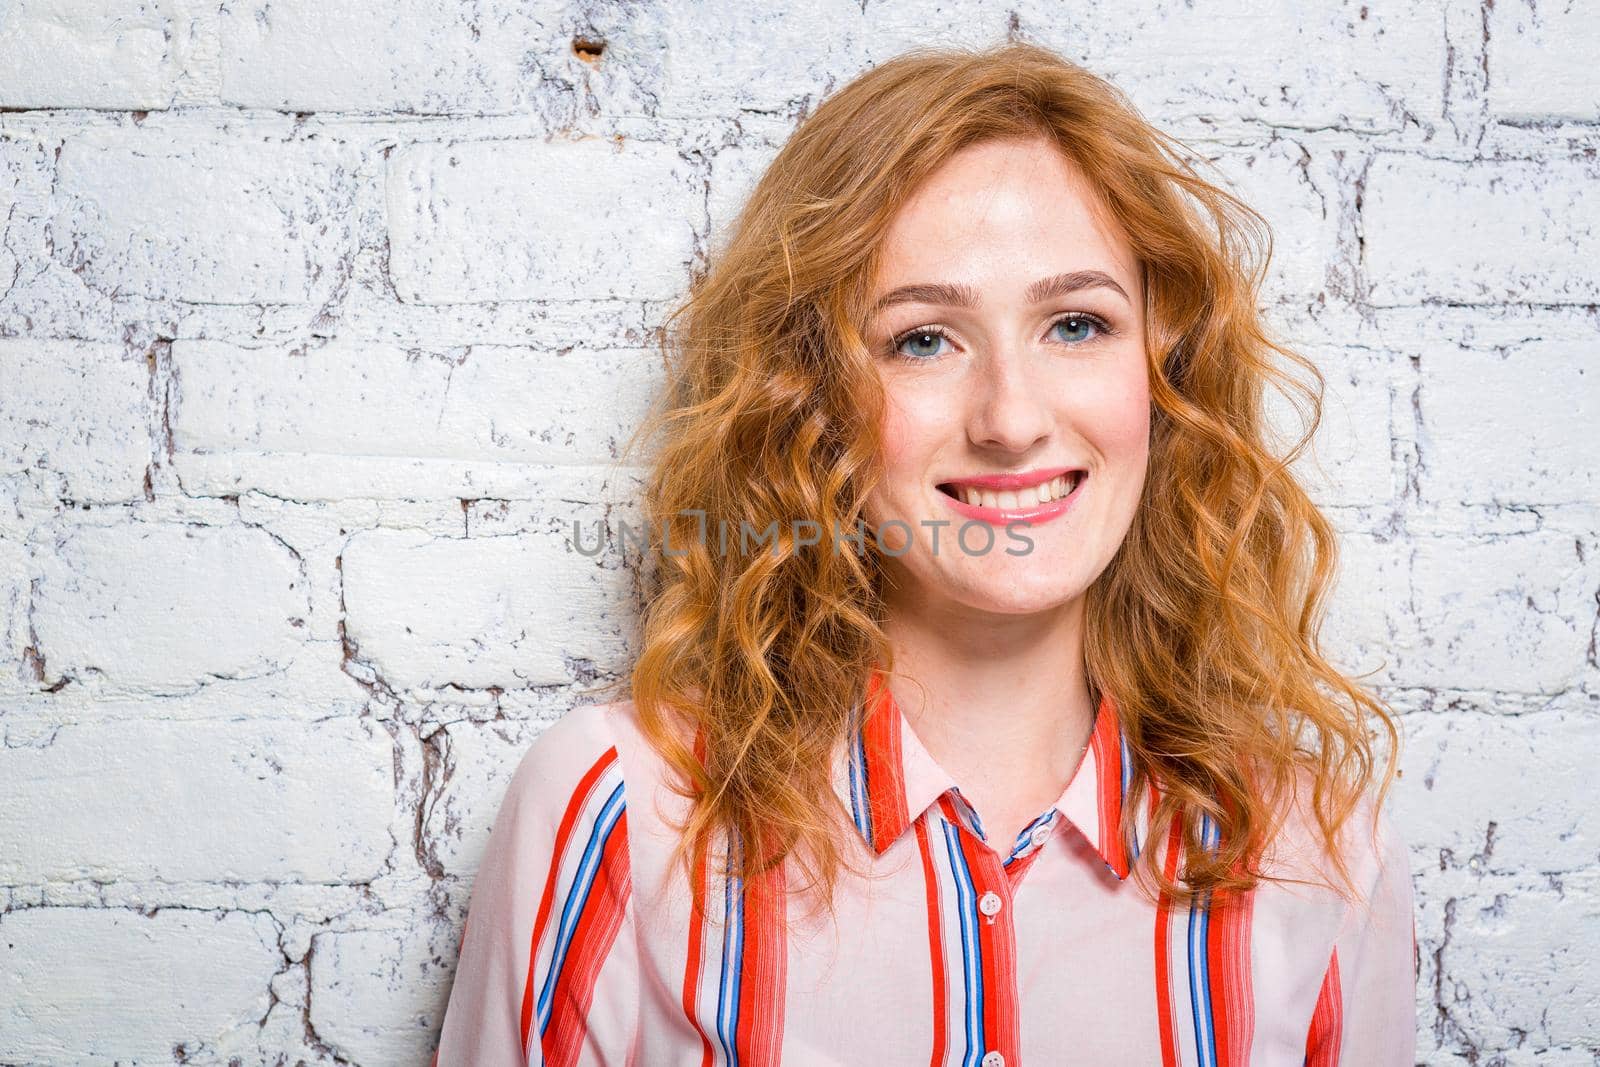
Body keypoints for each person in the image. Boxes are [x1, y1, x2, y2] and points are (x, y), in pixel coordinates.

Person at [432, 41, 1419, 1066]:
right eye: (921, 339)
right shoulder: (621, 813)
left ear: (1161, 374)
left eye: (1075, 323)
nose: (1010, 417)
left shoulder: (1323, 858)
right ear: (809, 397)